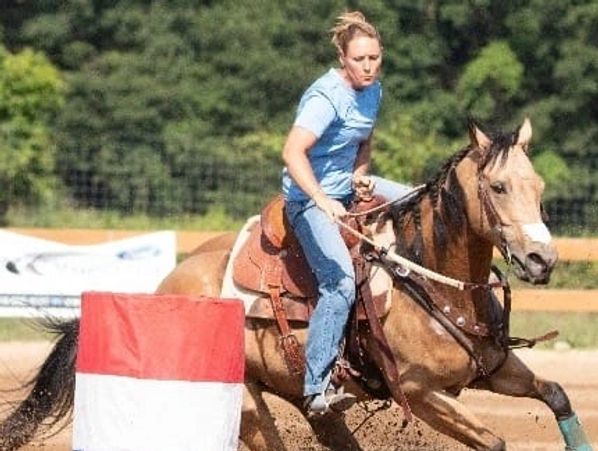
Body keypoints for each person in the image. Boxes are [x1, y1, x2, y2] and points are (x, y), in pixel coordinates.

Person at [281, 11, 411, 415]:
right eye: (359, 60)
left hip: (345, 191)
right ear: (343, 58)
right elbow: (292, 152)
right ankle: (316, 389)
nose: (368, 66)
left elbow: (362, 141)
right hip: (308, 201)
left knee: (422, 199)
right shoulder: (325, 98)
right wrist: (322, 199)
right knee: (338, 282)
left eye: (374, 58)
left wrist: (360, 177)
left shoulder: (374, 91)